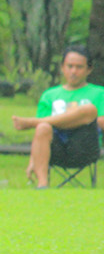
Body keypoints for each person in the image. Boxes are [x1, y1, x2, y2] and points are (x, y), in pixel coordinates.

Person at [11, 44, 104, 189]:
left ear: (89, 69)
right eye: (70, 66)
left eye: (79, 67)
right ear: (62, 67)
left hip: (84, 146)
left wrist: (74, 120)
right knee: (42, 126)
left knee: (90, 110)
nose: (73, 71)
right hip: (57, 147)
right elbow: (40, 135)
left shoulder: (99, 93)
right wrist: (32, 160)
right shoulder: (49, 95)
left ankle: (30, 122)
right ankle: (42, 185)